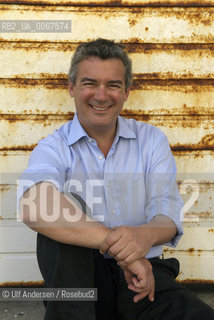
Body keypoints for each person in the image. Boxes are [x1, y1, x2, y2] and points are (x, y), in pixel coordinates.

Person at [18, 38, 214, 320]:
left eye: (113, 85)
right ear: (71, 88)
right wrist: (121, 249)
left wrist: (143, 237)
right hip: (82, 283)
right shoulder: (53, 146)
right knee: (60, 207)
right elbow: (33, 205)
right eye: (89, 83)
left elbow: (167, 213)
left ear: (126, 92)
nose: (101, 95)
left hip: (144, 278)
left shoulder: (151, 140)